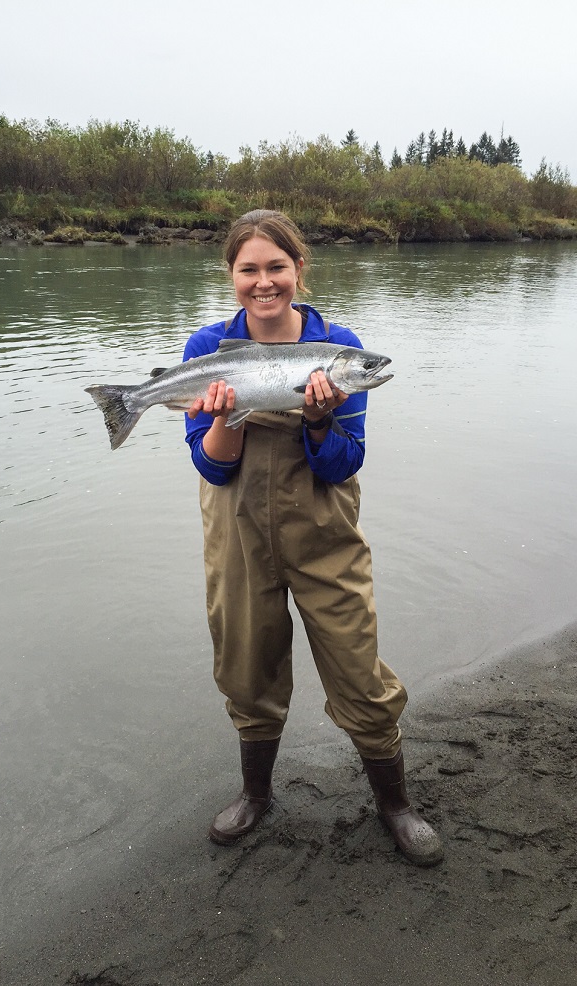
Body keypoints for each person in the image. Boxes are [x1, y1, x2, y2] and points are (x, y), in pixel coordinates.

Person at [183, 209, 443, 867]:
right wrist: (229, 416)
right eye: (250, 269)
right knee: (246, 665)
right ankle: (256, 794)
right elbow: (212, 465)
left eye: (277, 267)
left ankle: (395, 804)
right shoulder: (207, 350)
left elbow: (342, 464)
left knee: (359, 668)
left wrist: (319, 419)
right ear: (232, 275)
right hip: (238, 534)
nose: (264, 282)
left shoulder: (339, 347)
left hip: (325, 532)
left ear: (299, 268)